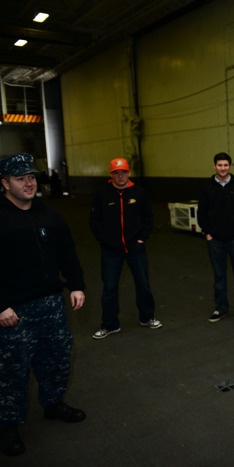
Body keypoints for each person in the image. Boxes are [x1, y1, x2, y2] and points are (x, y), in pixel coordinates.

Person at [0, 153, 86, 457]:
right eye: (20, 177)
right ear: (5, 183)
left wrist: (76, 284)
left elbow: (67, 252)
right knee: (13, 369)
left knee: (58, 356)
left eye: (32, 177)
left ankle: (53, 403)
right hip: (14, 311)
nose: (28, 182)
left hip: (51, 302)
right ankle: (8, 425)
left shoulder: (49, 214)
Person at [90, 158, 161, 339]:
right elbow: (94, 221)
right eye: (116, 172)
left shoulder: (140, 193)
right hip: (111, 250)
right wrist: (104, 240)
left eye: (123, 172)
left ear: (128, 173)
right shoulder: (102, 195)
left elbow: (148, 219)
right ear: (111, 174)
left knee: (143, 284)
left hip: (135, 248)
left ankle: (147, 317)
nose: (120, 176)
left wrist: (141, 238)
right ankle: (109, 325)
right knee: (109, 287)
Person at [197, 152, 234, 324]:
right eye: (220, 165)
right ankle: (220, 308)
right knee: (219, 276)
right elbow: (202, 214)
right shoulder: (208, 188)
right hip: (215, 241)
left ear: (230, 166)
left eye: (226, 165)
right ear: (215, 166)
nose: (223, 168)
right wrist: (208, 233)